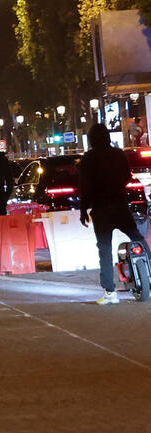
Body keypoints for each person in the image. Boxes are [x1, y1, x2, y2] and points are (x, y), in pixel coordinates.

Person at [79, 122, 145, 305]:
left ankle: (110, 291)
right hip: (120, 205)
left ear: (91, 140)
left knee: (105, 249)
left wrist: (84, 210)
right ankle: (147, 266)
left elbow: (85, 188)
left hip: (101, 209)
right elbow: (127, 176)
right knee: (136, 237)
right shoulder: (119, 155)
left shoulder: (88, 158)